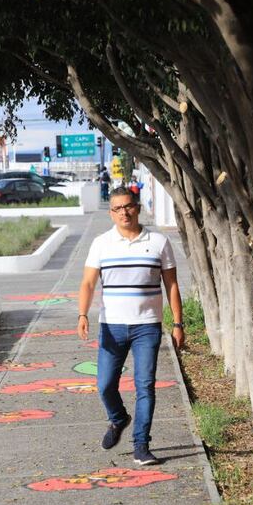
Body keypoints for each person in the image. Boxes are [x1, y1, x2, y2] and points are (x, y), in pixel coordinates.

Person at [77, 187, 185, 465]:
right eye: (117, 208)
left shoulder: (159, 242)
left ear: (136, 207)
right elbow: (88, 283)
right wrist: (82, 314)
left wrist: (178, 323)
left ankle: (141, 445)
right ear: (111, 213)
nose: (123, 212)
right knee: (104, 386)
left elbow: (171, 284)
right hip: (112, 326)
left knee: (145, 386)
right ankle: (118, 419)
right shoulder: (101, 243)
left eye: (128, 206)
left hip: (147, 327)